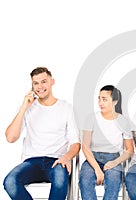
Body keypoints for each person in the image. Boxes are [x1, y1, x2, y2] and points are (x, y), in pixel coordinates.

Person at [3, 67, 81, 200]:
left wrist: (66, 157)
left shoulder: (66, 108)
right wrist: (23, 108)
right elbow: (10, 137)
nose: (40, 86)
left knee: (60, 179)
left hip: (56, 161)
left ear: (52, 82)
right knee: (10, 181)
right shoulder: (27, 108)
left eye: (44, 81)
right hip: (31, 162)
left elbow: (75, 142)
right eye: (36, 83)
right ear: (32, 86)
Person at [79, 85, 134, 200]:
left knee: (114, 182)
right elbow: (85, 146)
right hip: (92, 158)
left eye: (104, 99)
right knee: (85, 179)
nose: (100, 102)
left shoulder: (123, 122)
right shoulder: (91, 118)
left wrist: (115, 162)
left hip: (113, 158)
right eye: (99, 98)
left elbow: (129, 150)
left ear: (115, 101)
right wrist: (97, 170)